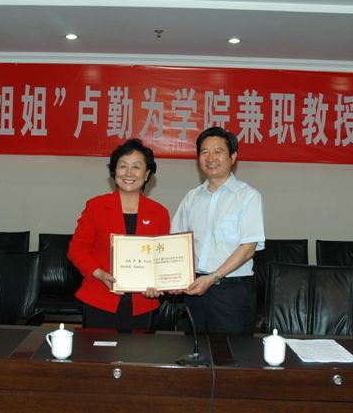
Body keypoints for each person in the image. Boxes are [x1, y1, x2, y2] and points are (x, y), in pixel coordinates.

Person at [68, 139, 170, 331]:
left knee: (137, 350)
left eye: (136, 167)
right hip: (100, 297)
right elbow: (77, 249)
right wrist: (100, 274)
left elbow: (162, 258)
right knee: (97, 349)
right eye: (123, 166)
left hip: (142, 302)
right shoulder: (96, 206)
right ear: (114, 171)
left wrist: (158, 283)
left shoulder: (159, 212)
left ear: (147, 174)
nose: (128, 173)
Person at [171, 126, 265, 335]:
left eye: (218, 151)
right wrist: (174, 277)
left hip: (231, 291)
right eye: (204, 152)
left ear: (233, 157)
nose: (210, 158)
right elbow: (176, 242)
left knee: (231, 352)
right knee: (193, 349)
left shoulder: (248, 196)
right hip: (194, 288)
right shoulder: (191, 198)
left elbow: (248, 249)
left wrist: (213, 277)